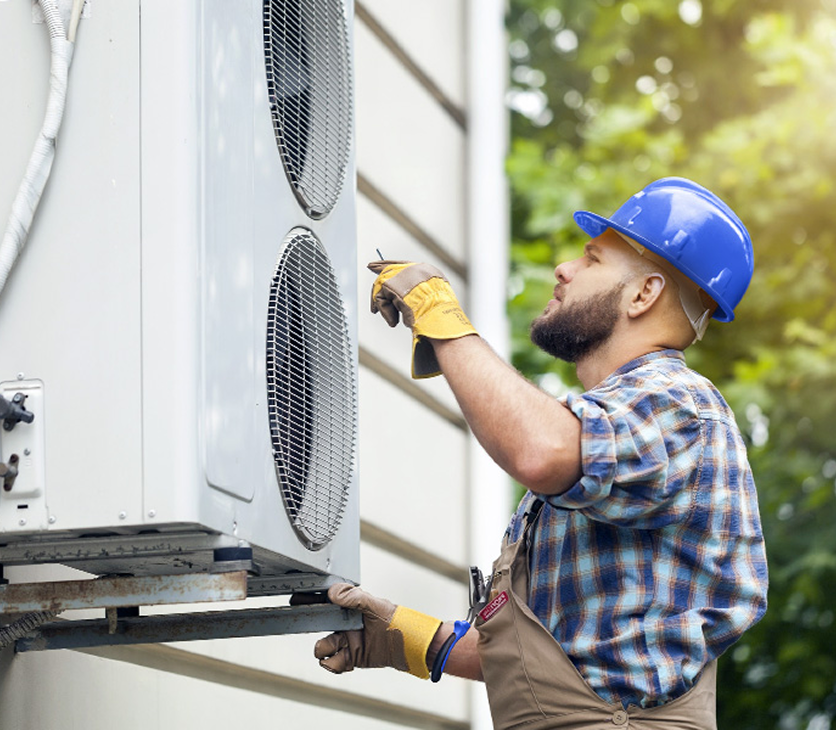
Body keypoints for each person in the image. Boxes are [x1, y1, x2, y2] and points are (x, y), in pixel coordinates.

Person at [311, 178, 768, 729]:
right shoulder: (618, 431)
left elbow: (542, 450)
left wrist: (440, 317)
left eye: (592, 259)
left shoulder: (678, 405)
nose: (564, 269)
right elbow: (566, 668)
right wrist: (404, 639)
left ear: (643, 294)